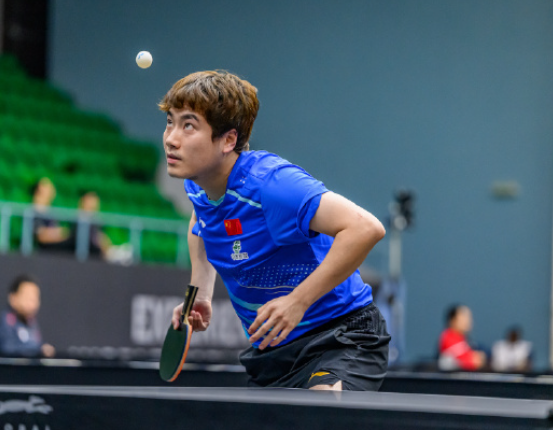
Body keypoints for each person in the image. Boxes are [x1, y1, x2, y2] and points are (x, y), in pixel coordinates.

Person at [163, 71, 390, 391]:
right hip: (272, 352)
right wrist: (200, 290)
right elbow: (201, 220)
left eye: (188, 125)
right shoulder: (198, 185)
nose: (171, 138)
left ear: (228, 140)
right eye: (170, 122)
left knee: (323, 410)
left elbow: (365, 228)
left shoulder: (271, 184)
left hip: (340, 336)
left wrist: (298, 301)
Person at [0, 274, 55, 358]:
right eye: (28, 297)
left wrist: (44, 347)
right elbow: (7, 350)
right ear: (13, 298)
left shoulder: (31, 321)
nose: (32, 303)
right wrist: (38, 350)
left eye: (35, 298)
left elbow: (36, 343)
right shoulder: (5, 321)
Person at [438, 304, 486, 371]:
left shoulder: (464, 339)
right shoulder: (448, 337)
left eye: (469, 317)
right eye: (464, 317)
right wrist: (474, 358)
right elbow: (470, 362)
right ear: (453, 320)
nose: (468, 321)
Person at [31, 177, 72, 252]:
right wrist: (61, 232)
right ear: (40, 190)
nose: (53, 191)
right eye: (49, 189)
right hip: (43, 252)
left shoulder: (50, 212)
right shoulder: (34, 212)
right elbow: (41, 236)